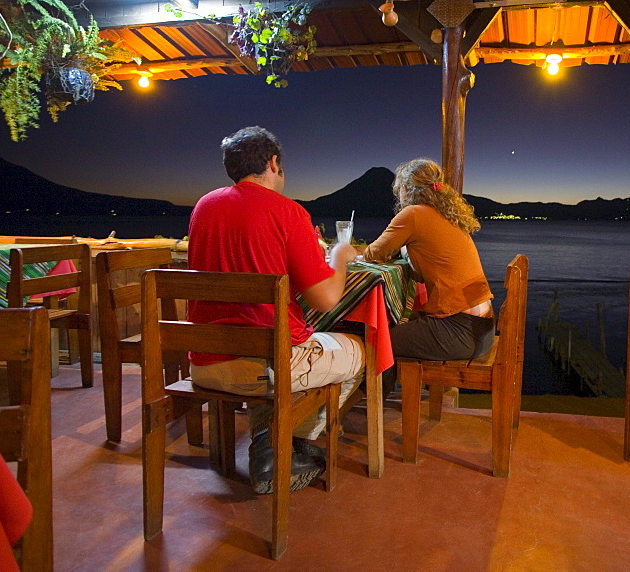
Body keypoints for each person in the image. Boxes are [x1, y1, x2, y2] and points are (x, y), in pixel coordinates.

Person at [187, 126, 363, 494]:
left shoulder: (204, 206)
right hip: (261, 368)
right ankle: (282, 443)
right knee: (360, 351)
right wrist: (340, 257)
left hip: (203, 363)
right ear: (273, 163)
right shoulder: (289, 213)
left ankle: (276, 441)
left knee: (281, 346)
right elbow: (326, 300)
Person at [362, 159, 495, 393]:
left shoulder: (414, 214)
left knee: (377, 341)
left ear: (405, 189)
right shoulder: (448, 216)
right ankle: (383, 399)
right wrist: (409, 248)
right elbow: (421, 275)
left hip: (459, 333)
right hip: (483, 330)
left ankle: (373, 409)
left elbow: (374, 253)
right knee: (396, 326)